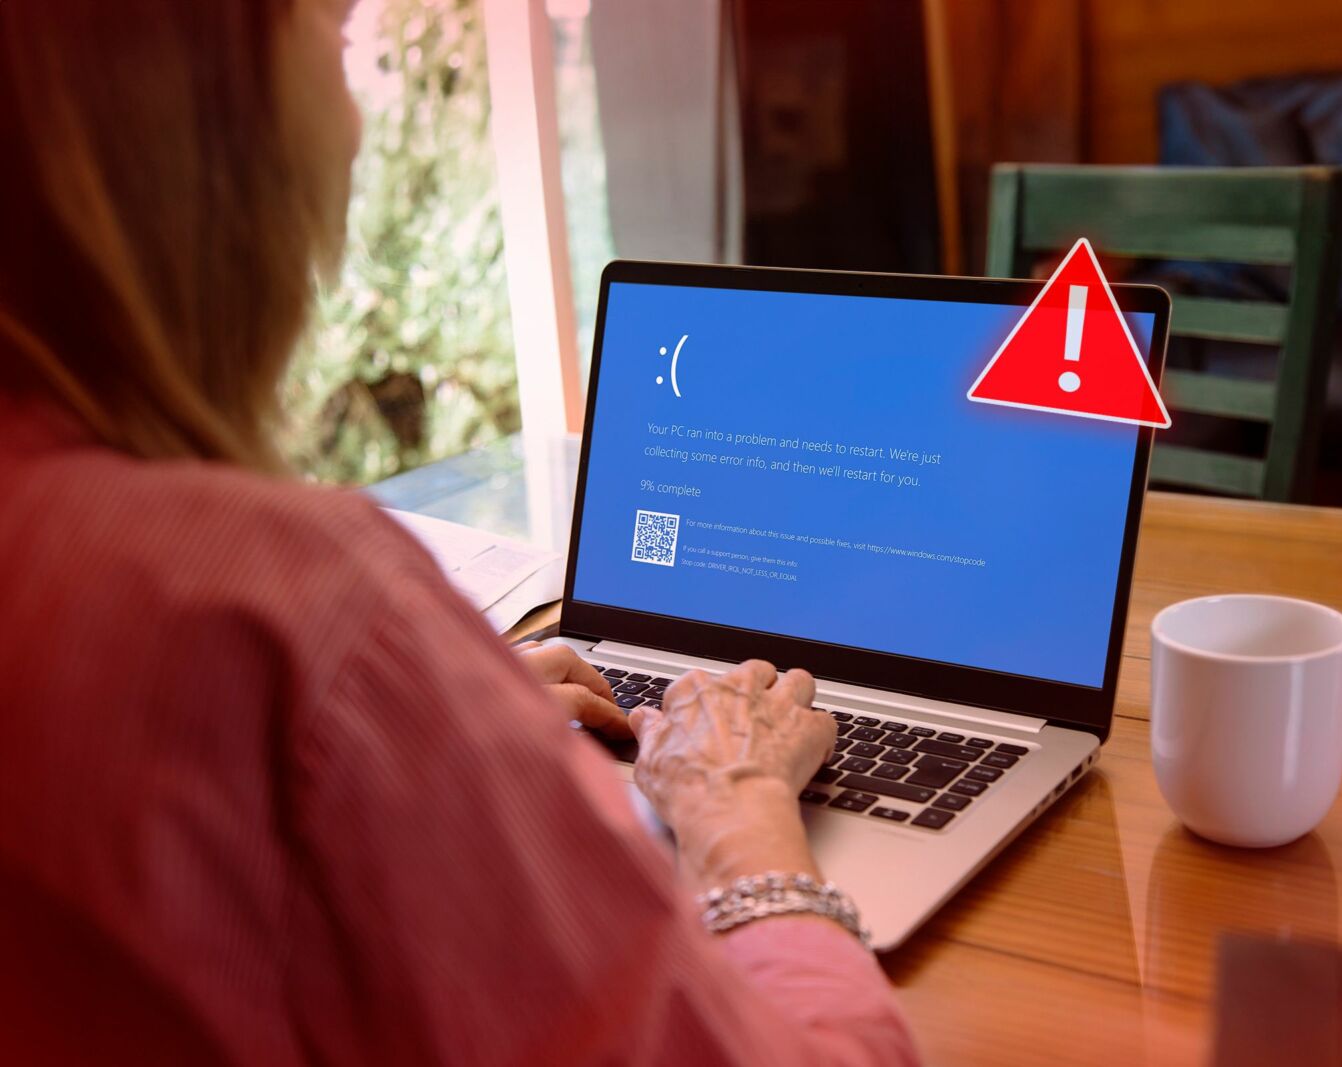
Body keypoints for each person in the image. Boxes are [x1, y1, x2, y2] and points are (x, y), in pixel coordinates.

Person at [0, 1, 920, 1063]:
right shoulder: (284, 608)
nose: (354, 125)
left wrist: (416, 729)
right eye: (338, 42)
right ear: (198, 117)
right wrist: (740, 814)